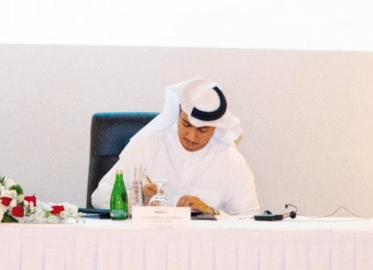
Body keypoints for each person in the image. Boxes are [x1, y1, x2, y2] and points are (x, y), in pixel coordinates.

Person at [93, 78, 260, 216]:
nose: (191, 137)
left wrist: (212, 212)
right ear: (178, 114)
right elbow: (99, 197)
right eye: (186, 124)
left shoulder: (231, 162)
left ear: (216, 128)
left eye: (202, 130)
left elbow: (248, 219)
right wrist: (137, 197)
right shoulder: (147, 144)